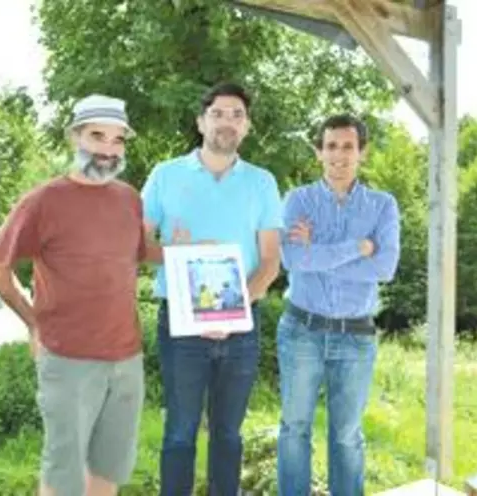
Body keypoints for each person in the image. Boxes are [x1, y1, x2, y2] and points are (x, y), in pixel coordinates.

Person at [0, 94, 152, 496]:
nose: (108, 150)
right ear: (74, 137)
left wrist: (200, 252)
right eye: (97, 136)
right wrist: (33, 324)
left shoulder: (129, 198)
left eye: (118, 140)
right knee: (64, 475)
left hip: (127, 358)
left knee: (108, 469)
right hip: (68, 358)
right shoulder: (43, 201)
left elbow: (142, 255)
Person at [141, 82, 283, 495]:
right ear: (201, 121)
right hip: (181, 327)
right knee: (180, 431)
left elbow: (270, 260)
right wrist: (173, 251)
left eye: (237, 115)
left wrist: (232, 312)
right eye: (218, 113)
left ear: (247, 127)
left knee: (228, 433)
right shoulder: (165, 176)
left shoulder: (262, 183)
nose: (227, 122)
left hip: (242, 327)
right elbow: (138, 245)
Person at [276, 114, 401, 496]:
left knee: (347, 435)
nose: (339, 155)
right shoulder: (298, 200)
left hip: (355, 337)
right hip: (302, 331)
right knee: (295, 429)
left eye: (348, 146)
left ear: (361, 152)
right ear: (319, 152)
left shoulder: (382, 206)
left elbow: (384, 267)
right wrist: (356, 248)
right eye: (331, 146)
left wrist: (320, 252)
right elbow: (294, 261)